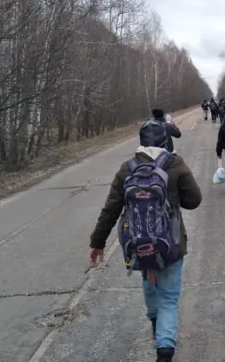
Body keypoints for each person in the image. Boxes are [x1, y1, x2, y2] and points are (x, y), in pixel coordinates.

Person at [88, 120, 202, 362]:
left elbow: (111, 209)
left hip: (139, 246)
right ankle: (164, 349)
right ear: (165, 141)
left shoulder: (127, 168)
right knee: (169, 298)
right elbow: (194, 200)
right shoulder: (175, 163)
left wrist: (98, 243)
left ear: (141, 142)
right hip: (170, 245)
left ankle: (154, 322)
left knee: (151, 287)